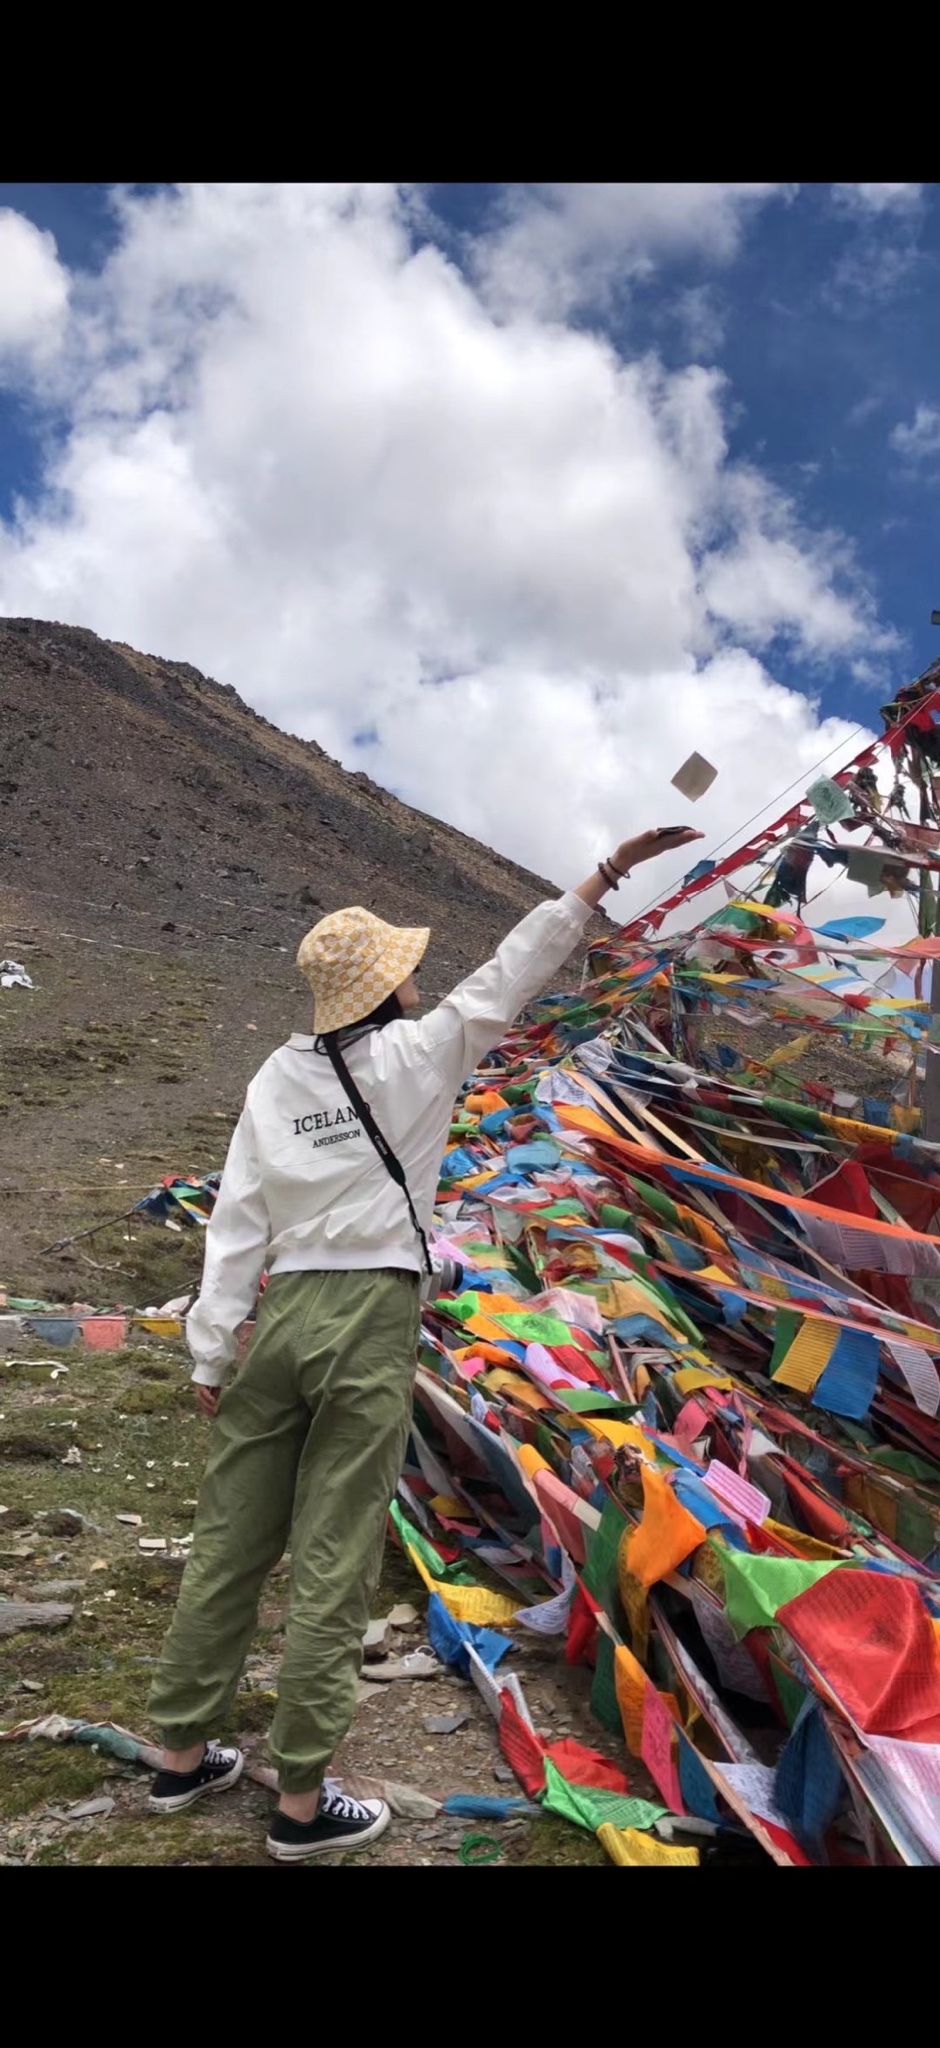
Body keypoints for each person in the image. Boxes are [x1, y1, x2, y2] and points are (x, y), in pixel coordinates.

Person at [146, 824, 702, 1861]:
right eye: (404, 971)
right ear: (385, 988)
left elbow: (238, 1219)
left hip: (279, 1314)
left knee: (227, 1541)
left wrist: (210, 1352)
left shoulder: (275, 1074)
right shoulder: (422, 1050)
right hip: (367, 1315)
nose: (418, 981)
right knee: (334, 1551)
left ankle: (181, 1754)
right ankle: (302, 1804)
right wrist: (603, 875)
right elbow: (514, 970)